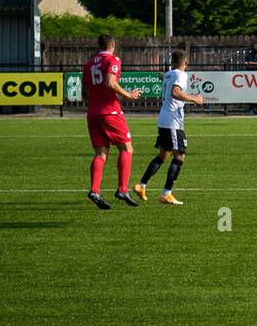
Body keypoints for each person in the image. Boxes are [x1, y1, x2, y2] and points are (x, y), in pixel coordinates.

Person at [135, 50, 206, 205]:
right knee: (179, 156)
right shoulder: (181, 74)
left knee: (162, 155)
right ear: (186, 62)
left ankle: (142, 185)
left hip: (165, 120)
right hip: (173, 122)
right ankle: (166, 193)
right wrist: (195, 99)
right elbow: (175, 92)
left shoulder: (169, 74)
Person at [82, 33, 142, 210]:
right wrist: (128, 95)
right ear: (113, 45)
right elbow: (110, 82)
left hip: (93, 112)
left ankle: (95, 190)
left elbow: (85, 88)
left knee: (101, 154)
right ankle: (122, 189)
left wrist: (95, 101)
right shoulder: (113, 60)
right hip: (110, 111)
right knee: (126, 148)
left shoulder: (89, 64)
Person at [243, 40, 257, 115]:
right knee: (250, 92)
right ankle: (251, 108)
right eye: (256, 47)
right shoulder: (250, 55)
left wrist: (251, 63)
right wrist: (251, 64)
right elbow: (246, 64)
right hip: (249, 77)